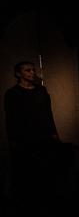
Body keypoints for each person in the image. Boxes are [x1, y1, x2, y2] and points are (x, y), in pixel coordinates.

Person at [4, 61, 62, 198]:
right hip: (25, 139)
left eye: (33, 70)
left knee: (45, 170)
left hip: (43, 136)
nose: (32, 73)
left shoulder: (41, 91)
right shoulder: (12, 93)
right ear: (18, 73)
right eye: (27, 70)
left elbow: (48, 114)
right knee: (26, 172)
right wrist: (13, 140)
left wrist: (54, 134)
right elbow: (11, 118)